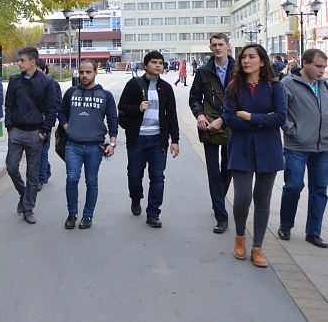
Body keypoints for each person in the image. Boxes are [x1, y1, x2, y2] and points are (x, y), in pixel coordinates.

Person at [224, 44, 287, 268]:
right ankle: (240, 235)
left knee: (263, 200)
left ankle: (257, 247)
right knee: (242, 198)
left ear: (262, 62)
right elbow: (230, 119)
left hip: (268, 150)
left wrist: (250, 117)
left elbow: (280, 118)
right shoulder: (233, 87)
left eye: (251, 57)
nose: (246, 61)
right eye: (243, 57)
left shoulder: (274, 87)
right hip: (241, 148)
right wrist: (263, 120)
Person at [118, 51, 180, 228]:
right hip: (137, 139)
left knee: (157, 177)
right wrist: (137, 108)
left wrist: (175, 140)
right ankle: (136, 198)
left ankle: (153, 213)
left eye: (160, 62)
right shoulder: (134, 84)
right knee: (135, 175)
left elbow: (171, 116)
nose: (158, 65)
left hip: (157, 140)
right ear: (146, 65)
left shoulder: (166, 88)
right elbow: (122, 106)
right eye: (154, 62)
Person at [58, 59, 117, 229]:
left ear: (95, 73)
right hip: (73, 145)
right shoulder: (71, 93)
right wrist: (67, 126)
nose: (84, 75)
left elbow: (113, 120)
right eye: (81, 72)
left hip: (95, 146)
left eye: (88, 72)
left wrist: (112, 144)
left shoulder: (106, 96)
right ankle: (72, 213)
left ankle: (88, 215)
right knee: (71, 179)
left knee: (91, 181)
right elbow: (61, 112)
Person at [278, 48, 328, 248]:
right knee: (294, 186)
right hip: (296, 147)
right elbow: (281, 113)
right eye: (318, 66)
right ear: (305, 63)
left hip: (323, 147)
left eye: (324, 67)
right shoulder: (288, 84)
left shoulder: (325, 85)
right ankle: (286, 225)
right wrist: (293, 131)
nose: (321, 71)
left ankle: (313, 232)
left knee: (320, 190)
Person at [4, 46, 59, 225]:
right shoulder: (14, 80)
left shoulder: (47, 82)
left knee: (32, 175)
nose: (18, 63)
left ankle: (28, 208)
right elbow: (9, 105)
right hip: (17, 132)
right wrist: (10, 127)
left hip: (36, 133)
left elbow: (52, 110)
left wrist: (44, 133)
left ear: (32, 62)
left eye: (21, 60)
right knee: (11, 167)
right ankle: (24, 194)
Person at [189, 33, 237, 234]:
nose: (217, 48)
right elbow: (194, 97)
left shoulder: (238, 70)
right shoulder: (203, 72)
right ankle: (221, 216)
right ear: (210, 47)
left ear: (228, 45)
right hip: (208, 126)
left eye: (221, 44)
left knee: (228, 169)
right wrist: (199, 115)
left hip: (231, 125)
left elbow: (241, 99)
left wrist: (223, 119)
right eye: (214, 45)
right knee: (212, 171)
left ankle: (218, 198)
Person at [35, 59, 61, 191]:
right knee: (37, 151)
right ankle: (46, 170)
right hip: (33, 122)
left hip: (46, 122)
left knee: (43, 151)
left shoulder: (53, 84)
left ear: (44, 70)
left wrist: (51, 119)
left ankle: (40, 178)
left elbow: (57, 104)